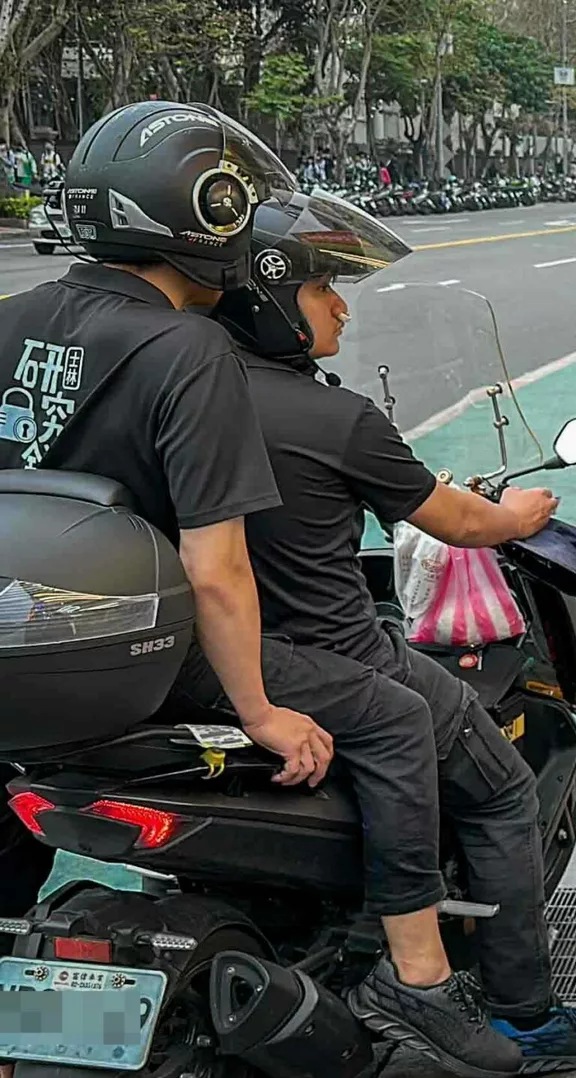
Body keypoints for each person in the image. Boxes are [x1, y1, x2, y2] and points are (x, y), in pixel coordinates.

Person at [204, 191, 576, 1074]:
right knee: (502, 791)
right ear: (276, 297)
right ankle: (519, 1011)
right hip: (338, 655)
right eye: (324, 290)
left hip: (214, 663)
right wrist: (516, 514)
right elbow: (457, 522)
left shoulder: (185, 396)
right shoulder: (336, 419)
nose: (341, 307)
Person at [0, 105, 329, 906]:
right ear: (209, 211)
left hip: (23, 644)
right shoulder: (190, 348)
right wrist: (260, 712)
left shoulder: (13, 318)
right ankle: (423, 981)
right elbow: (215, 568)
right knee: (400, 718)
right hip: (147, 654)